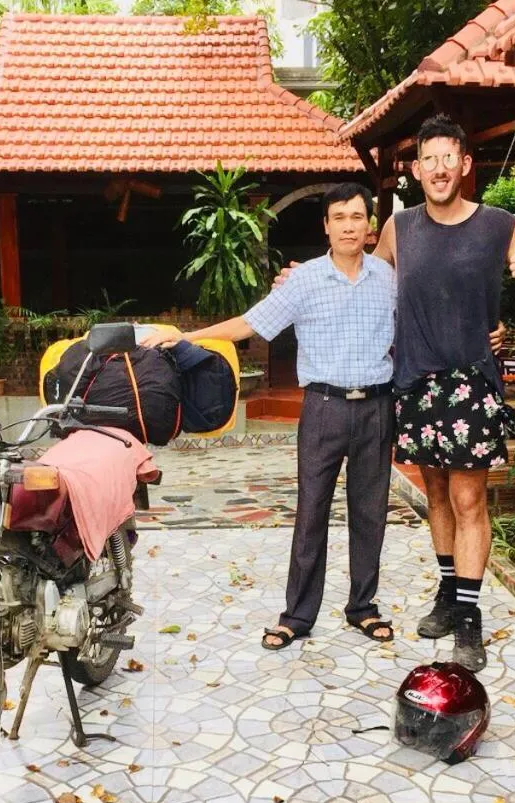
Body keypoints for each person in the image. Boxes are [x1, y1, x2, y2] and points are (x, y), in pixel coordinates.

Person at [141, 183, 399, 651]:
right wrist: (185, 336)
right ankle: (297, 615)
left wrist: (487, 331)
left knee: (371, 512)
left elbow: (421, 326)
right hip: (323, 408)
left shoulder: (388, 278)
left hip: (378, 408)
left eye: (356, 217)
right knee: (311, 512)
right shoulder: (303, 281)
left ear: (368, 227)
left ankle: (364, 606)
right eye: (338, 217)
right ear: (326, 225)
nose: (348, 225)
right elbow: (249, 324)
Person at [376, 114, 515, 671]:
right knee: (435, 497)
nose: (438, 169)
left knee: (468, 500)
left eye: (447, 158)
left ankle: (469, 618)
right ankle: (446, 591)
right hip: (413, 381)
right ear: (416, 170)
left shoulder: (499, 225)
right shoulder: (398, 229)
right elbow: (364, 285)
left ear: (464, 165)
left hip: (471, 382)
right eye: (427, 159)